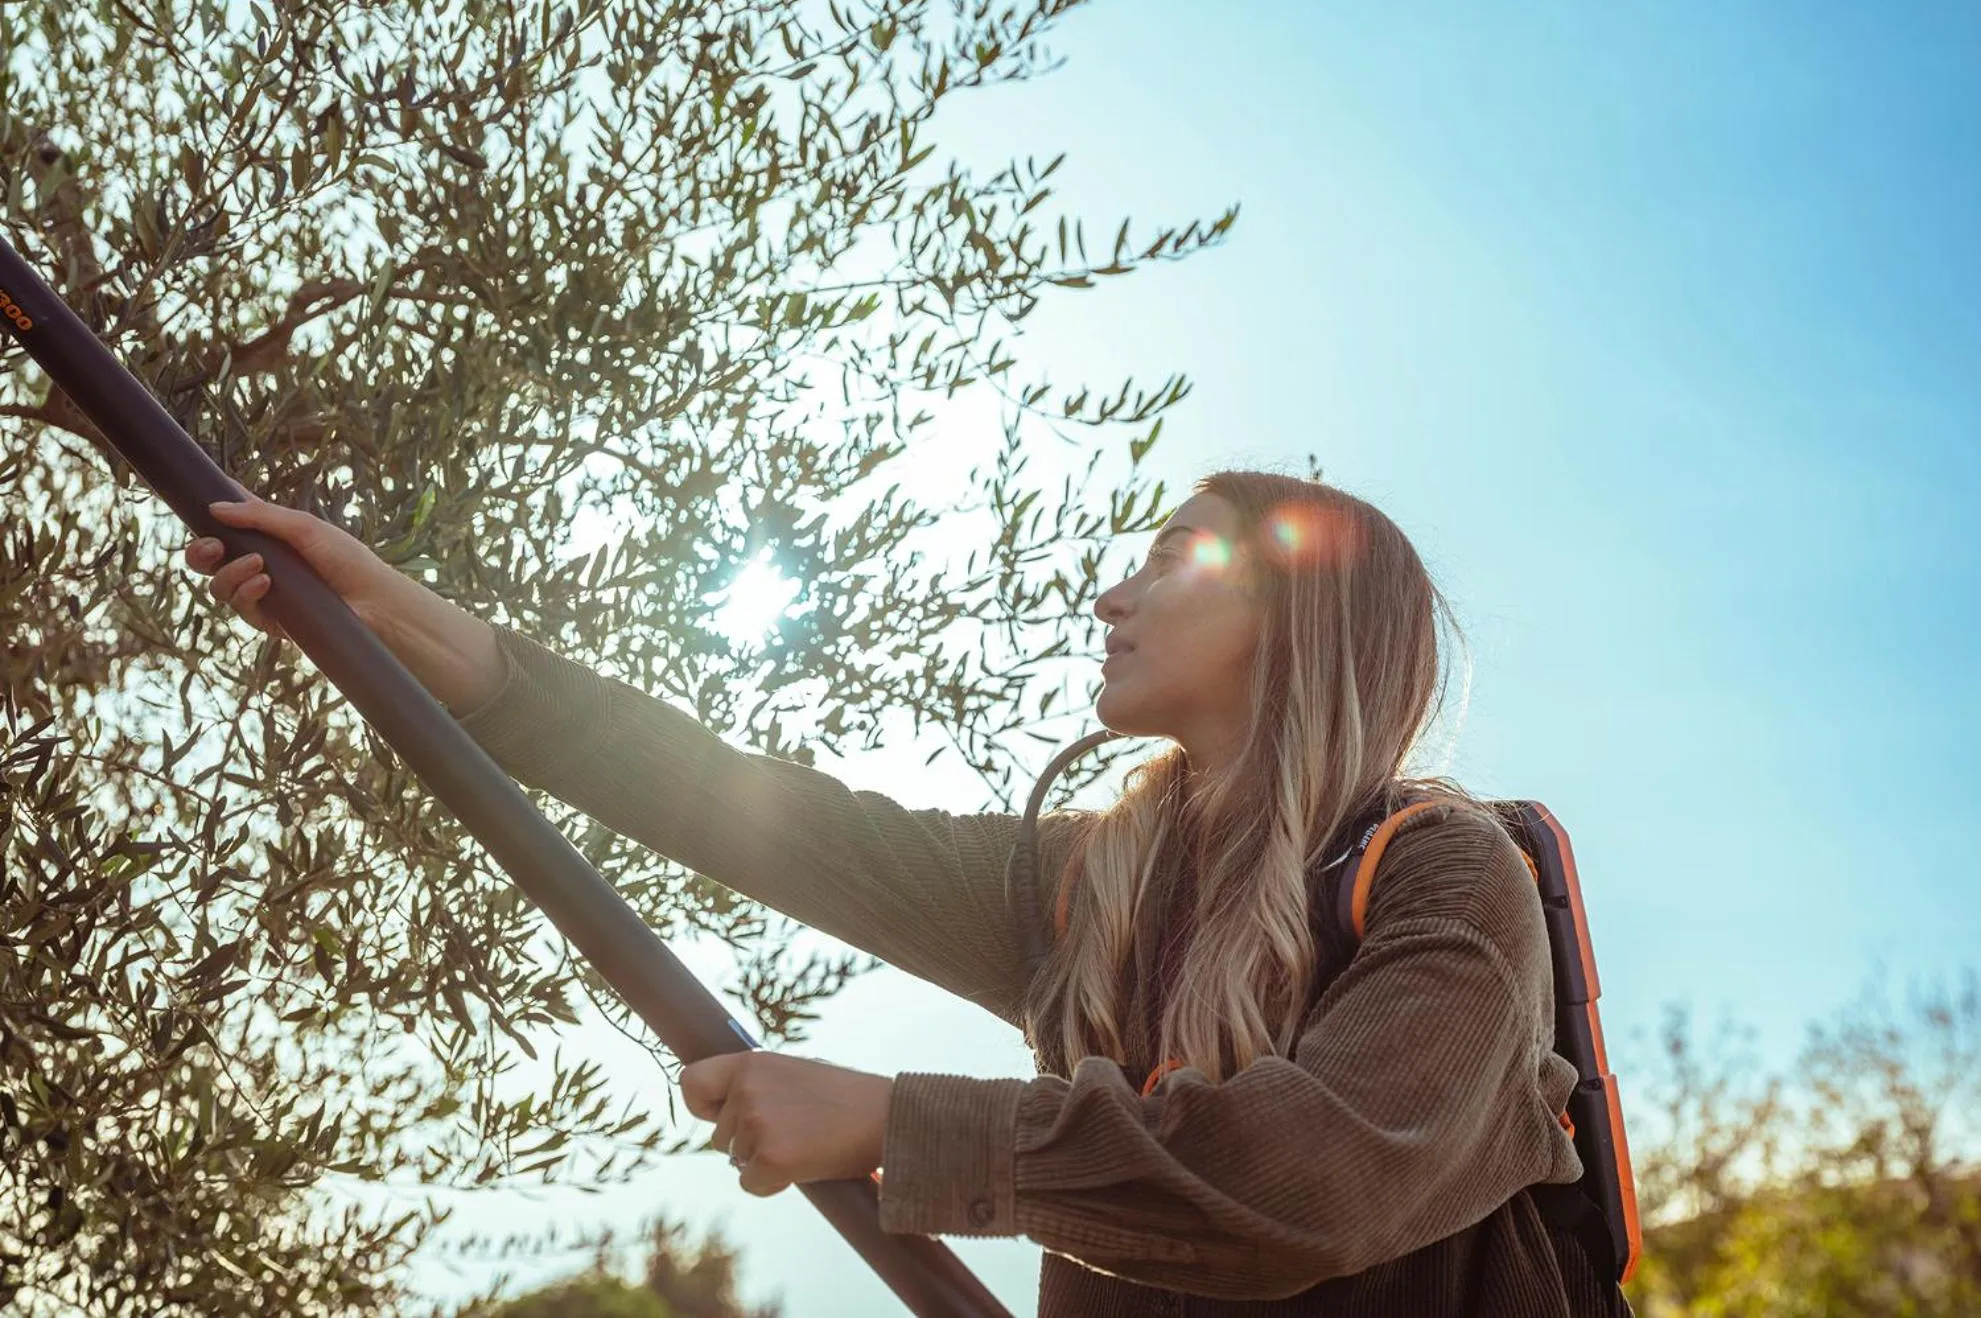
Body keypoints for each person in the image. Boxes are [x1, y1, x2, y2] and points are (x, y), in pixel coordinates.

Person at [186, 470, 1630, 1316]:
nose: (1110, 598)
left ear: (1305, 619)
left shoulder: (1445, 873)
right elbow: (762, 814)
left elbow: (1308, 1177)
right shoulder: (1086, 889)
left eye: (1172, 560)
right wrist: (400, 619)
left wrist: (894, 1121)